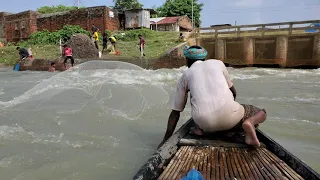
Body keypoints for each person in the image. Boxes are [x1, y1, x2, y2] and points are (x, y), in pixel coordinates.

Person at [158, 46, 267, 148]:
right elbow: (233, 92)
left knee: (194, 96)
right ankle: (248, 123)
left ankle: (198, 130)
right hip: (231, 117)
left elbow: (175, 113)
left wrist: (165, 141)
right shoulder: (218, 63)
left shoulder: (185, 76)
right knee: (261, 112)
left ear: (187, 60)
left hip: (204, 124)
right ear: (204, 57)